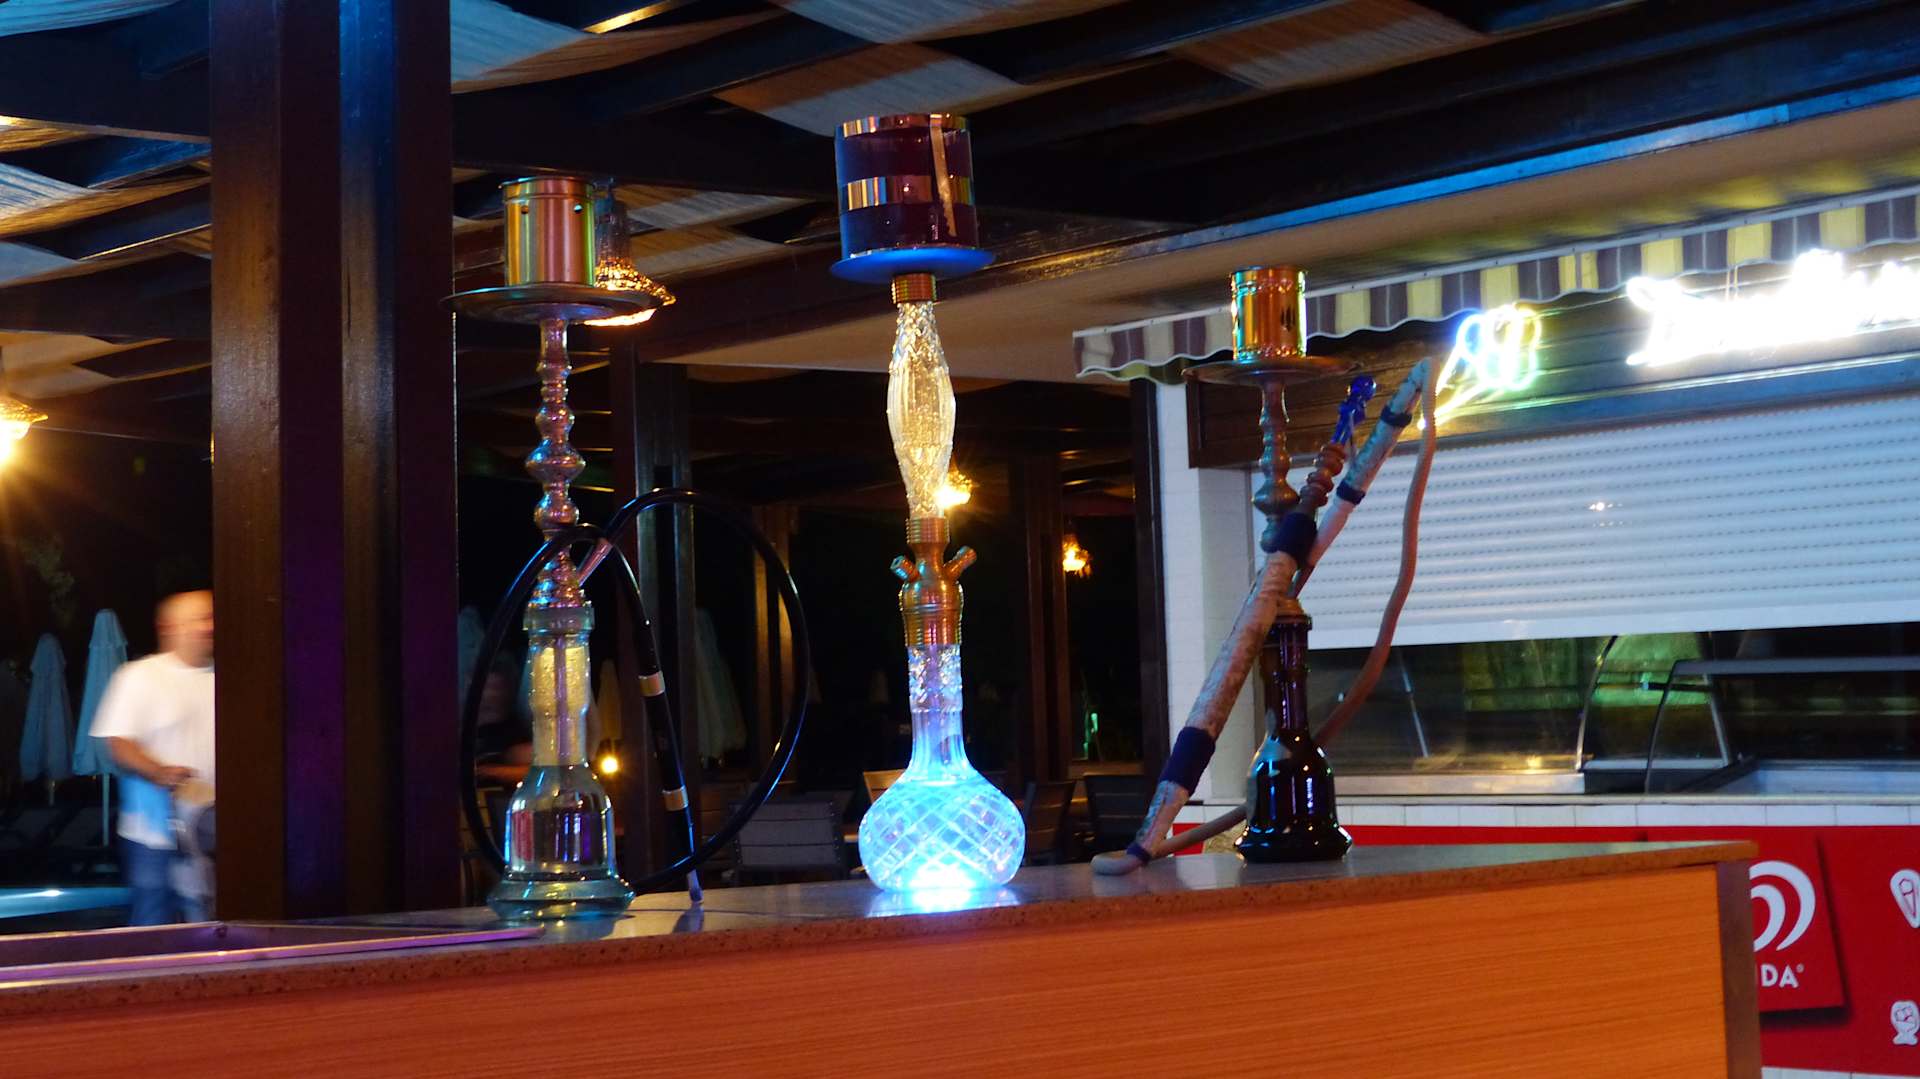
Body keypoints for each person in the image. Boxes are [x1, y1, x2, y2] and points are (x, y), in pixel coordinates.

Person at [91, 590, 215, 925]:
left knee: (211, 927)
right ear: (171, 627)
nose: (209, 626)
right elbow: (119, 743)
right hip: (152, 835)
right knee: (152, 927)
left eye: (211, 617)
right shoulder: (139, 676)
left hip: (212, 832)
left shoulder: (227, 679)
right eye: (200, 618)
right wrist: (158, 771)